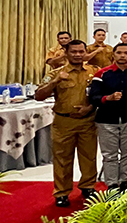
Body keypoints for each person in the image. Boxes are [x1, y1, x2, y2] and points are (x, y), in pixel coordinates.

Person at [35, 40, 97, 207]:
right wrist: (55, 81)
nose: (78, 55)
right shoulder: (56, 73)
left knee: (89, 157)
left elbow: (100, 95)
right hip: (63, 122)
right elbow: (38, 95)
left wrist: (90, 107)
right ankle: (62, 192)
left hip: (87, 121)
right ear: (66, 53)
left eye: (81, 51)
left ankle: (88, 187)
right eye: (74, 52)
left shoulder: (94, 72)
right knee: (62, 158)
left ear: (85, 52)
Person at [88, 43, 127, 191]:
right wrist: (107, 98)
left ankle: (125, 181)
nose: (122, 56)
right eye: (119, 52)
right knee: (109, 155)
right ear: (113, 54)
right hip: (106, 120)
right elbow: (93, 97)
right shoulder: (101, 74)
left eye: (126, 53)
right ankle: (112, 183)